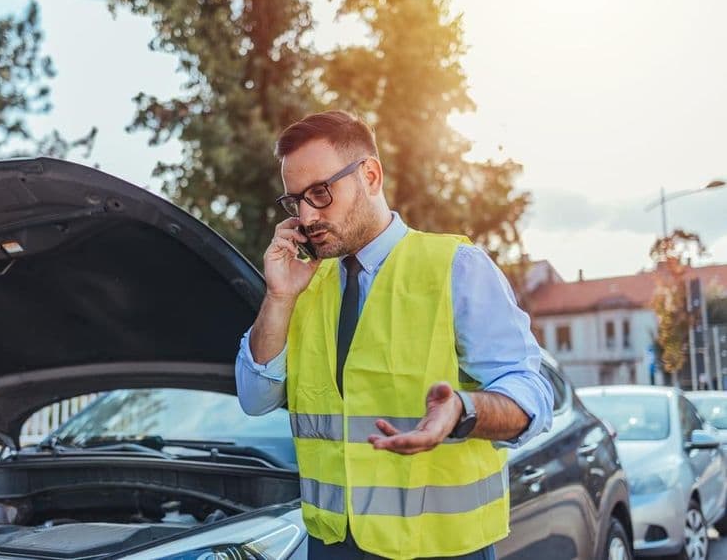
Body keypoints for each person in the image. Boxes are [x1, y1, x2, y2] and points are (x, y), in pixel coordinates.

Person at [235, 110, 553, 560]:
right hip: (332, 546)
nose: (306, 216)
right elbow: (254, 398)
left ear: (370, 175)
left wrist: (463, 411)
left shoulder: (454, 267)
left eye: (320, 193)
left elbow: (532, 394)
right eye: (295, 201)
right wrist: (279, 297)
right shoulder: (301, 284)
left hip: (440, 549)